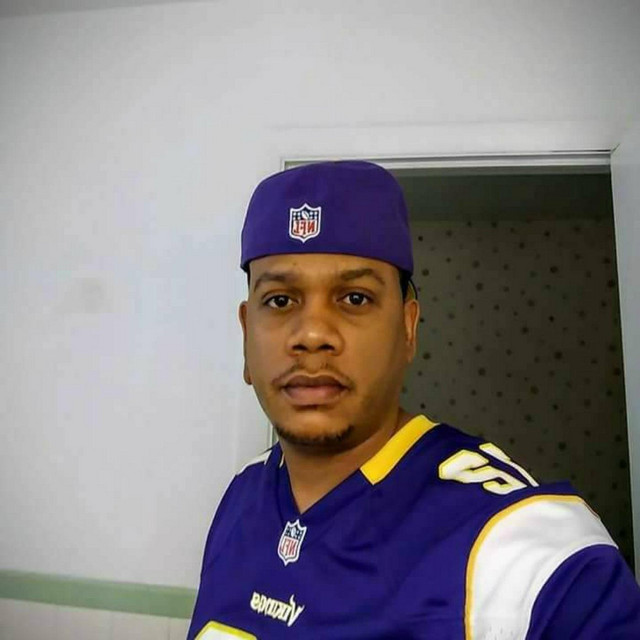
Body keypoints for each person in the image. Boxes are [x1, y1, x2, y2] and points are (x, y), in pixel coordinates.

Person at [187, 160, 640, 639]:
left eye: (354, 298)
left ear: (407, 328)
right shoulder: (243, 495)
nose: (313, 334)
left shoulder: (523, 549)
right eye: (280, 300)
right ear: (246, 335)